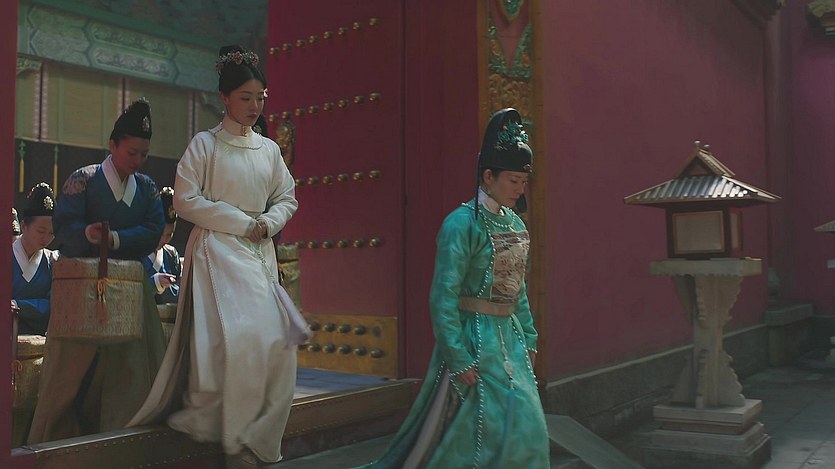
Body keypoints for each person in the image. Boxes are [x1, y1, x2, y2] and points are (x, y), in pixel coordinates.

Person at [128, 45, 299, 469]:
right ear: (224, 97)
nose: (255, 106)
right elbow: (185, 200)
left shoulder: (269, 150)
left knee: (280, 345)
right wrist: (242, 222)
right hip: (217, 253)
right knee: (239, 342)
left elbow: (287, 197)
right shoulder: (205, 145)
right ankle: (234, 439)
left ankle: (257, 438)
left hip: (258, 254)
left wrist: (267, 223)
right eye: (245, 98)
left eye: (261, 98)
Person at [363, 108, 549, 468]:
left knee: (529, 427)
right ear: (488, 176)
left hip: (510, 339)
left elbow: (518, 289)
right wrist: (458, 356)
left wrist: (530, 338)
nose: (520, 189)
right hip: (474, 339)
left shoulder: (515, 223)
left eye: (523, 181)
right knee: (479, 435)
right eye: (513, 180)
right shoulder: (461, 224)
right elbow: (443, 296)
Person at [28, 99, 167, 442]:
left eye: (143, 154)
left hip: (131, 287)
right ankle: (58, 437)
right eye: (131, 152)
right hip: (84, 286)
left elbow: (154, 231)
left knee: (131, 370)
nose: (137, 160)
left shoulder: (147, 188)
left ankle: (125, 438)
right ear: (112, 145)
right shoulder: (84, 180)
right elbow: (64, 225)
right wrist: (86, 234)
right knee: (72, 370)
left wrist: (115, 238)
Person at [12, 183, 58, 336]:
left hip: (39, 338)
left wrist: (18, 305)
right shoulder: (5, 257)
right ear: (24, 226)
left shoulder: (52, 262)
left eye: (51, 233)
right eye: (41, 231)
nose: (46, 238)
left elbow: (54, 304)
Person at [141, 186, 181, 305]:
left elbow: (180, 294)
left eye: (169, 234)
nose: (164, 239)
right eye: (160, 233)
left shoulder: (171, 255)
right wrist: (155, 283)